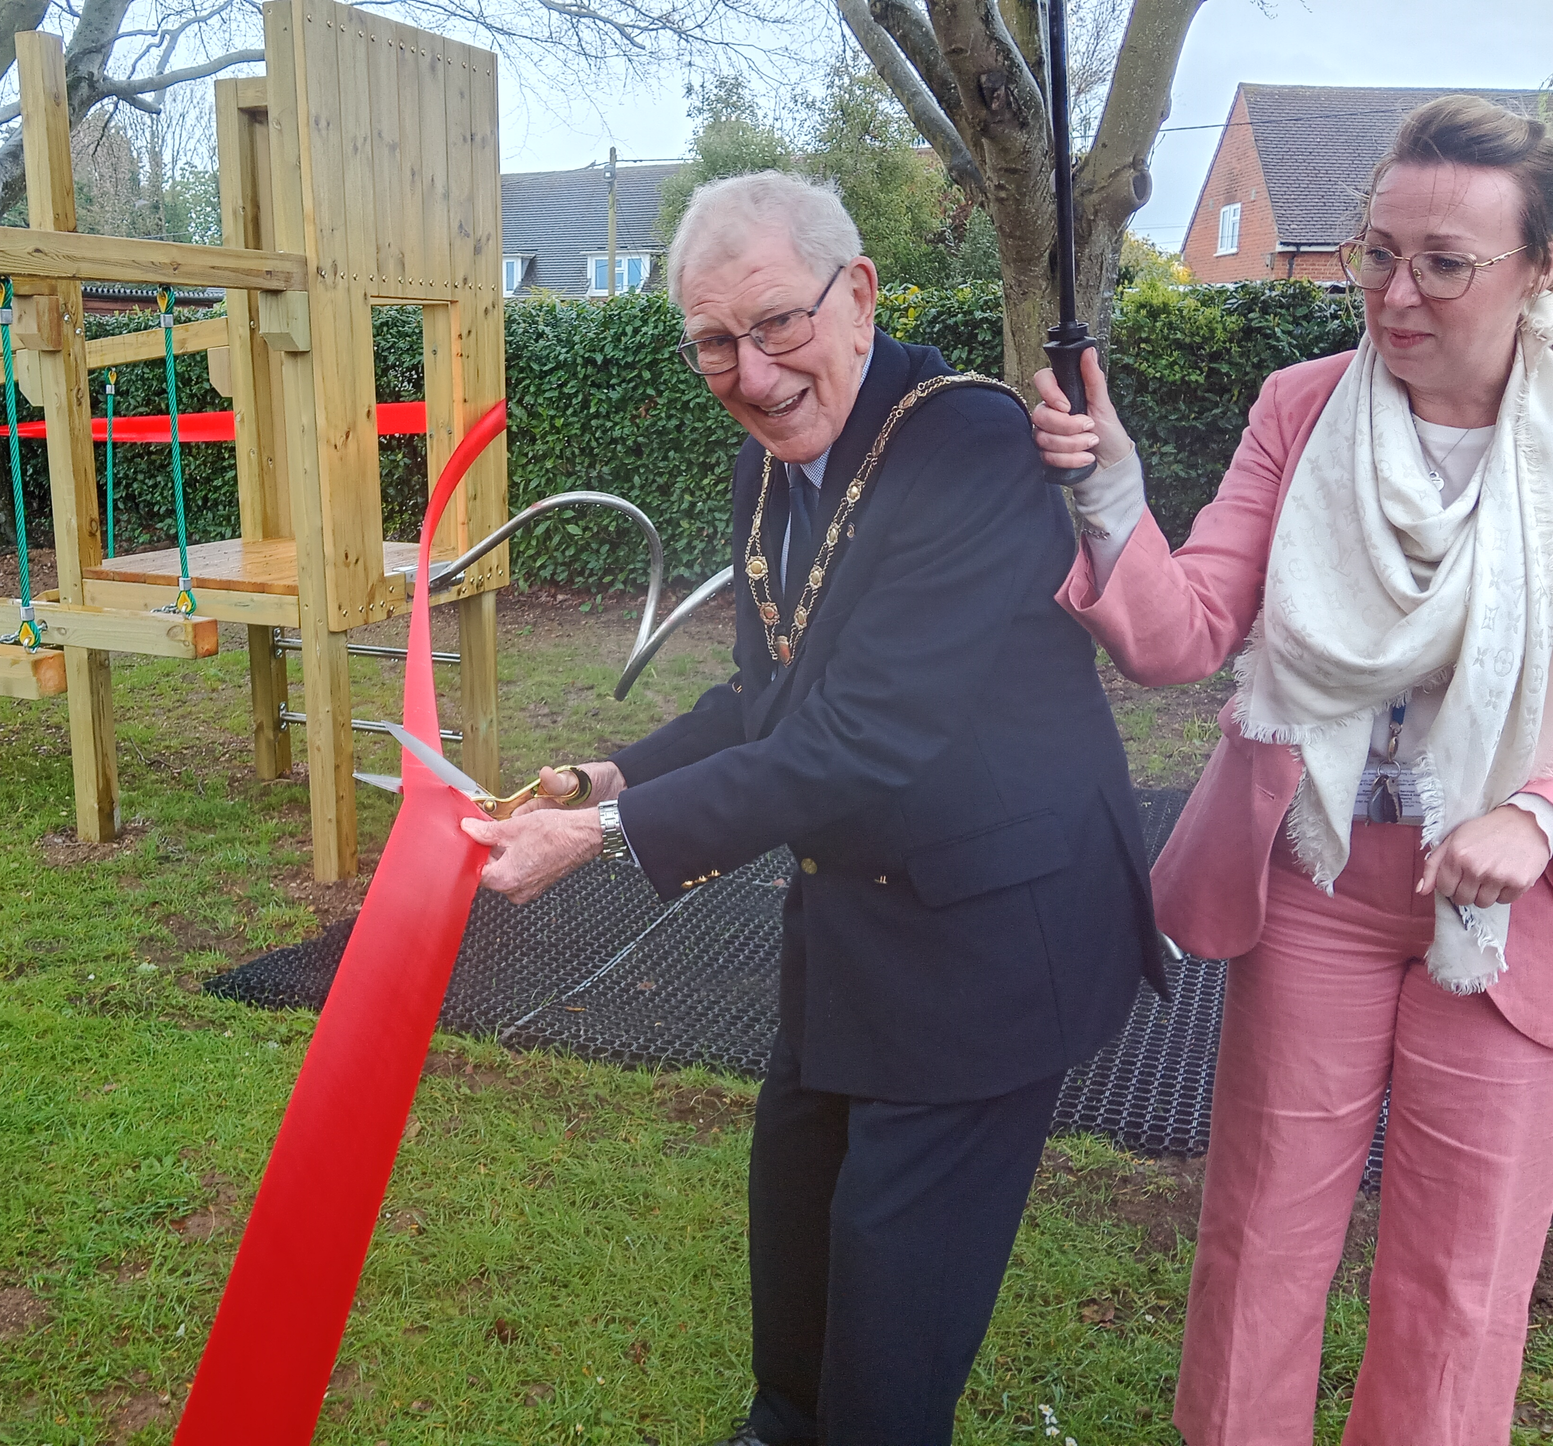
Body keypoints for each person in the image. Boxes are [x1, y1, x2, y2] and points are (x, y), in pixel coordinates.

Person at [460, 170, 1166, 1445]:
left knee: (892, 1330)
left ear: (859, 297)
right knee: (796, 1256)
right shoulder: (766, 462)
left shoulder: (971, 445)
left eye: (777, 323)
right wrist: (610, 776)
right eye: (714, 344)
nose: (752, 370)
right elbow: (770, 698)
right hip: (852, 930)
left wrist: (606, 841)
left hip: (996, 945)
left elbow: (865, 737)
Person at [1030, 96, 1553, 1445]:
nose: (1395, 291)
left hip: (1502, 914)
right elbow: (1182, 630)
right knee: (1263, 1236)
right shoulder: (1301, 406)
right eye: (1375, 251)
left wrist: (1536, 809)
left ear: (1537, 272)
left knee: (1462, 1272)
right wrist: (1114, 496)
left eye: (1446, 261)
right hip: (1314, 872)